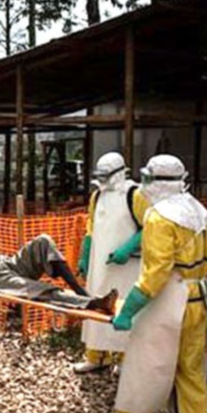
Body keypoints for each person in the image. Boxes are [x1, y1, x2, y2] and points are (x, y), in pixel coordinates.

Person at [100, 154, 207, 413]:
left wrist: (128, 310)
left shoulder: (160, 217)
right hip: (199, 297)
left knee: (144, 368)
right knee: (191, 375)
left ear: (157, 182)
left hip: (168, 301)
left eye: (148, 178)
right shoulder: (200, 212)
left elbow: (155, 273)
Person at [74, 152, 150, 374]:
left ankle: (126, 359)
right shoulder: (96, 196)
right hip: (100, 265)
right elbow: (91, 227)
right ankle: (96, 356)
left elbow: (151, 226)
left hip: (128, 267)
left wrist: (128, 248)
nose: (103, 180)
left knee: (124, 307)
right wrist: (85, 255)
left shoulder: (135, 194)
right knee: (97, 305)